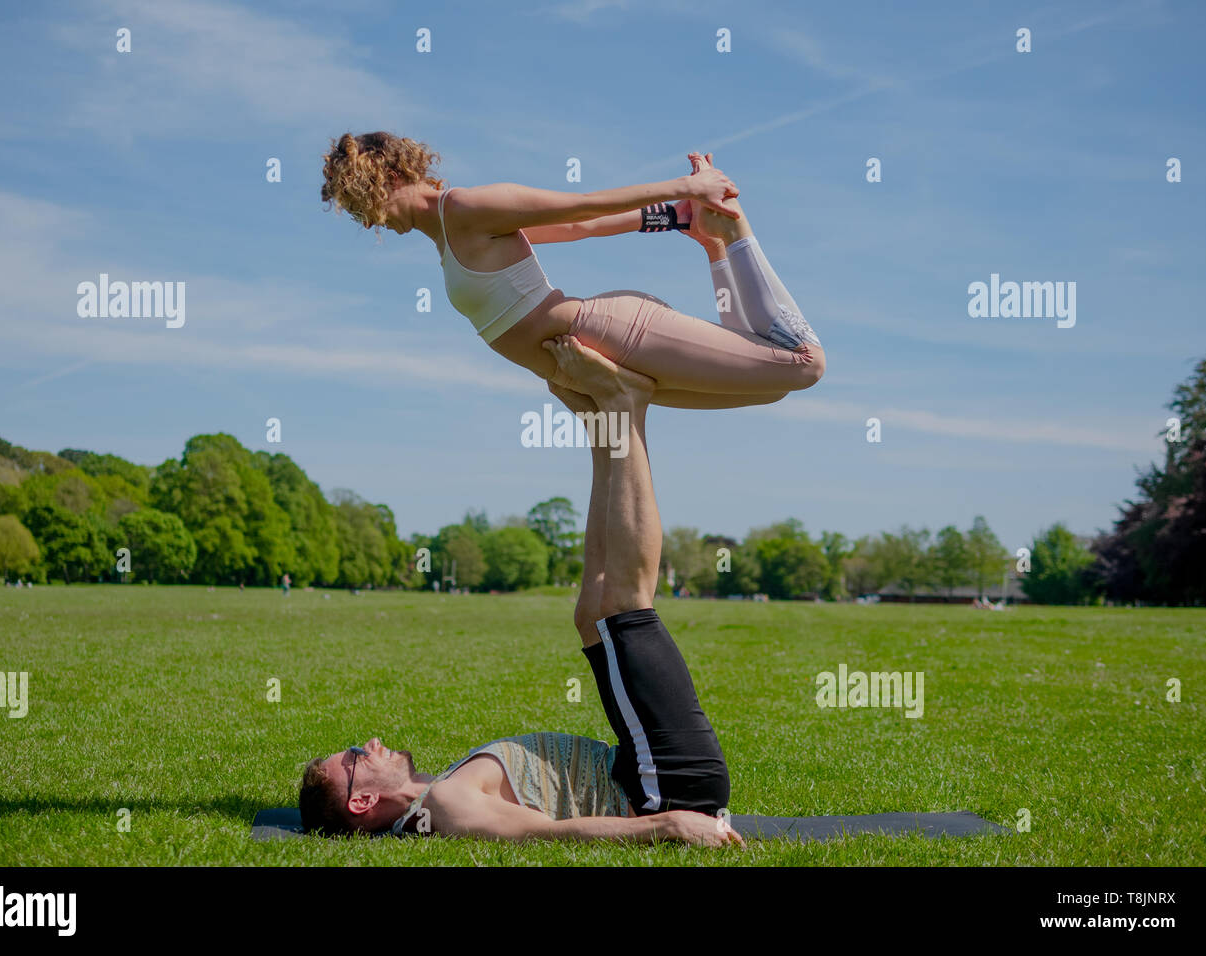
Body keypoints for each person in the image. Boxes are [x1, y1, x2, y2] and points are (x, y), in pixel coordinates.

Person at [298, 336, 742, 846]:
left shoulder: (437, 796)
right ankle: (624, 406)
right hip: (664, 787)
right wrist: (665, 825)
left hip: (641, 771)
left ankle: (602, 426)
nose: (369, 743)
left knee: (591, 612)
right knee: (625, 604)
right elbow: (550, 835)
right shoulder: (447, 806)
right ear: (362, 802)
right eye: (356, 755)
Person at [321, 132, 824, 410]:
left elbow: (580, 208)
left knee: (804, 365)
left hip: (604, 329)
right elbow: (578, 231)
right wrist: (671, 216)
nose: (367, 220)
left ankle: (735, 234)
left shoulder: (468, 208)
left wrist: (684, 188)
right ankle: (716, 245)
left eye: (360, 201)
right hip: (588, 364)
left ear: (387, 177)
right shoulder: (449, 238)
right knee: (769, 387)